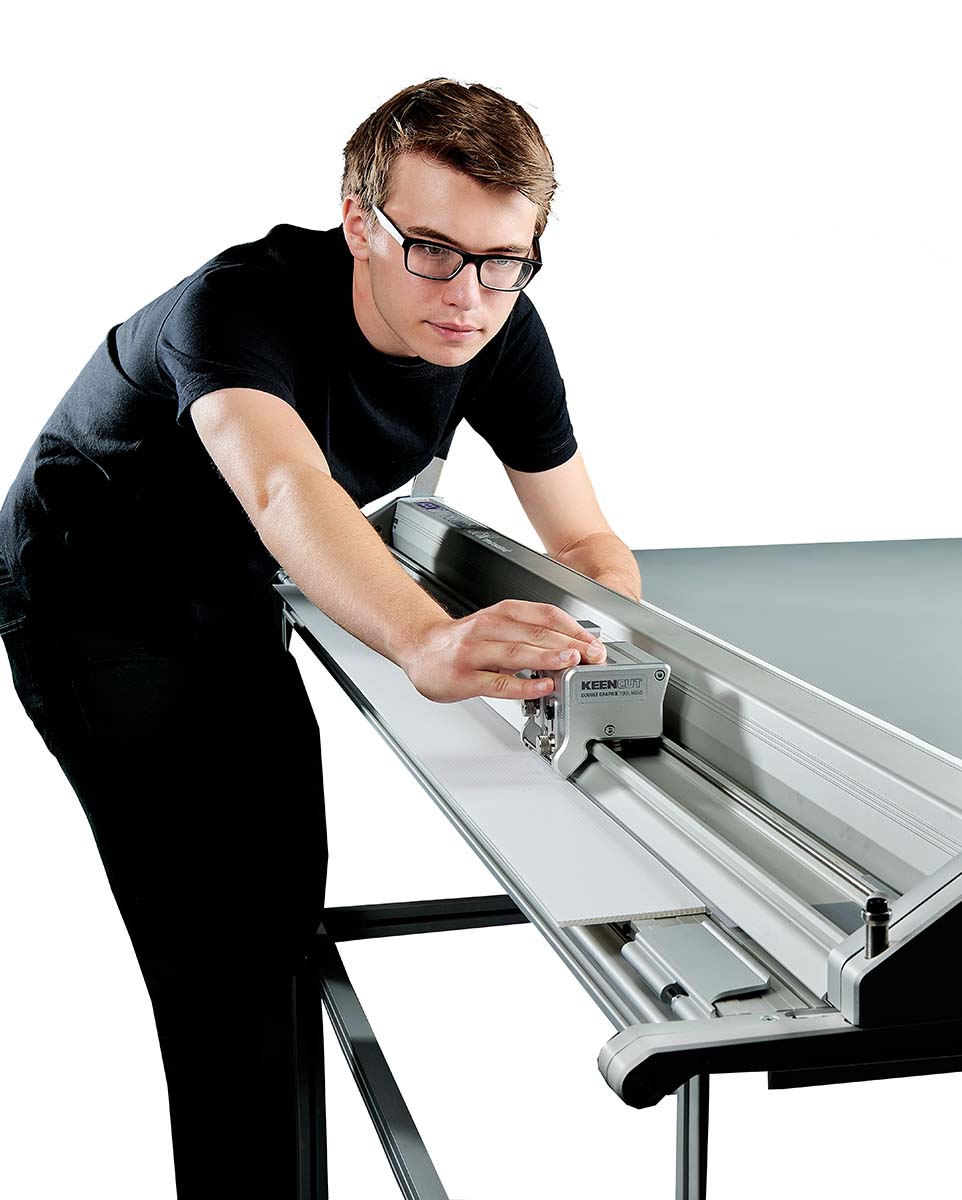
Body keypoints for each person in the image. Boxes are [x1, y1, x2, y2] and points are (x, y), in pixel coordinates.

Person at [0, 77, 640, 1198]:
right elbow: (287, 487)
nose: (469, 296)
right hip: (89, 594)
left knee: (282, 908)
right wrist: (427, 641)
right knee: (217, 948)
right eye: (433, 251)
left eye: (505, 260)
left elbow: (585, 537)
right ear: (359, 222)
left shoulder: (494, 325)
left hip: (234, 586)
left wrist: (604, 641)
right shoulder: (236, 307)